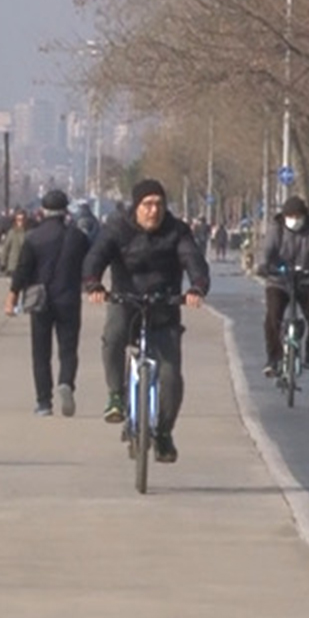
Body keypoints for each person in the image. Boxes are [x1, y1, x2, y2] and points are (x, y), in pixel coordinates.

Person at [83, 179, 210, 462]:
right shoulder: (118, 228)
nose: (154, 211)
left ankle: (164, 433)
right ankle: (116, 395)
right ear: (136, 206)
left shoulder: (177, 231)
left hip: (164, 307)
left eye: (159, 205)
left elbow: (193, 260)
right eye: (147, 205)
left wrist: (197, 287)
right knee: (113, 336)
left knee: (171, 376)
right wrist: (93, 284)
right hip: (125, 302)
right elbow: (96, 256)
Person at [5, 190, 91, 417]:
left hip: (40, 300)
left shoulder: (33, 237)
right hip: (69, 299)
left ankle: (44, 402)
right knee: (68, 349)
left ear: (42, 211)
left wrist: (12, 296)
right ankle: (66, 383)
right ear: (65, 211)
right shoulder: (78, 237)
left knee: (41, 352)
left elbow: (22, 270)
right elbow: (89, 264)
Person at [257, 195, 309, 375]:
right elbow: (267, 249)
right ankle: (273, 359)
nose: (294, 220)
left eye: (298, 216)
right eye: (290, 216)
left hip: (306, 279)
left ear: (304, 216)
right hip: (279, 280)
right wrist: (264, 265)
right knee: (272, 319)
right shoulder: (276, 228)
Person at [0, 210, 29, 277]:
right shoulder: (12, 232)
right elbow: (6, 248)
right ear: (15, 220)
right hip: (14, 265)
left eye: (22, 219)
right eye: (18, 219)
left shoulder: (29, 233)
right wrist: (3, 263)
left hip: (25, 264)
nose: (20, 222)